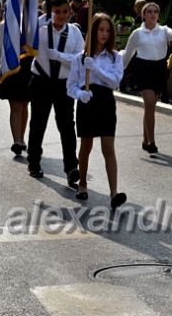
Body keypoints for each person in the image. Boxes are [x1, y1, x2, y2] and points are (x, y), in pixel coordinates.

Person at [66, 13, 127, 209]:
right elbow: (70, 86)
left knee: (108, 148)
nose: (104, 34)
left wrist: (96, 70)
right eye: (101, 30)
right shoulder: (79, 58)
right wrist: (80, 94)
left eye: (108, 31)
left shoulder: (115, 57)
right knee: (86, 146)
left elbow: (115, 81)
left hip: (106, 102)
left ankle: (114, 193)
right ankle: (82, 183)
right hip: (87, 102)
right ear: (93, 31)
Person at [121, 2, 172, 155]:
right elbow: (128, 54)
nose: (152, 14)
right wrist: (117, 73)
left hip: (159, 70)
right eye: (149, 12)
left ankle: (144, 139)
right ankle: (152, 142)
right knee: (149, 104)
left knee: (150, 107)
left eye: (155, 11)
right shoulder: (137, 33)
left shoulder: (163, 30)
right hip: (143, 69)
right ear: (143, 15)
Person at [26, 0, 85, 185]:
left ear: (70, 12)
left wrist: (58, 56)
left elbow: (80, 60)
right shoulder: (40, 30)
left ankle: (71, 168)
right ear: (50, 12)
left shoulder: (75, 32)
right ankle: (34, 162)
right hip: (41, 81)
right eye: (57, 11)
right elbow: (25, 37)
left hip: (64, 85)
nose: (61, 15)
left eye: (64, 11)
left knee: (67, 126)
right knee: (38, 123)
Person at [0, 19, 33, 157]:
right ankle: (16, 140)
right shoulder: (6, 23)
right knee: (15, 106)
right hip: (11, 66)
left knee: (24, 105)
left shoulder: (32, 20)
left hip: (28, 66)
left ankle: (21, 138)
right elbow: (0, 44)